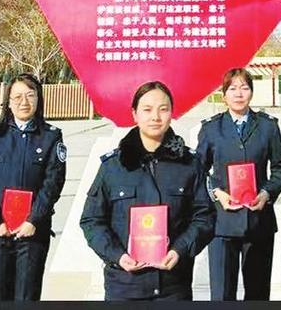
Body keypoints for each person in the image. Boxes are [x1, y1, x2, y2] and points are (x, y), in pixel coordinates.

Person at [81, 81, 215, 300]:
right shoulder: (113, 167)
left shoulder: (189, 164)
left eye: (163, 109)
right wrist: (117, 255)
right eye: (147, 109)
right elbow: (92, 220)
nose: (155, 117)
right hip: (124, 285)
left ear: (172, 113)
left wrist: (180, 250)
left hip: (173, 286)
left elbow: (205, 217)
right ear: (134, 114)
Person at [196, 68, 281, 300]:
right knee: (222, 294)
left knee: (258, 293)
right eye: (232, 89)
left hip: (258, 220)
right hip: (222, 223)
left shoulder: (268, 126)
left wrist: (266, 193)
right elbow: (198, 172)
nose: (239, 94)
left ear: (251, 92)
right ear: (224, 95)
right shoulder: (211, 128)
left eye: (244, 88)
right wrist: (217, 192)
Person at [0, 73, 67, 300]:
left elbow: (53, 183)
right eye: (17, 97)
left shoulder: (51, 137)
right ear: (8, 102)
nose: (24, 102)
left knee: (27, 295)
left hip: (32, 233)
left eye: (30, 95)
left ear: (38, 99)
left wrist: (33, 220)